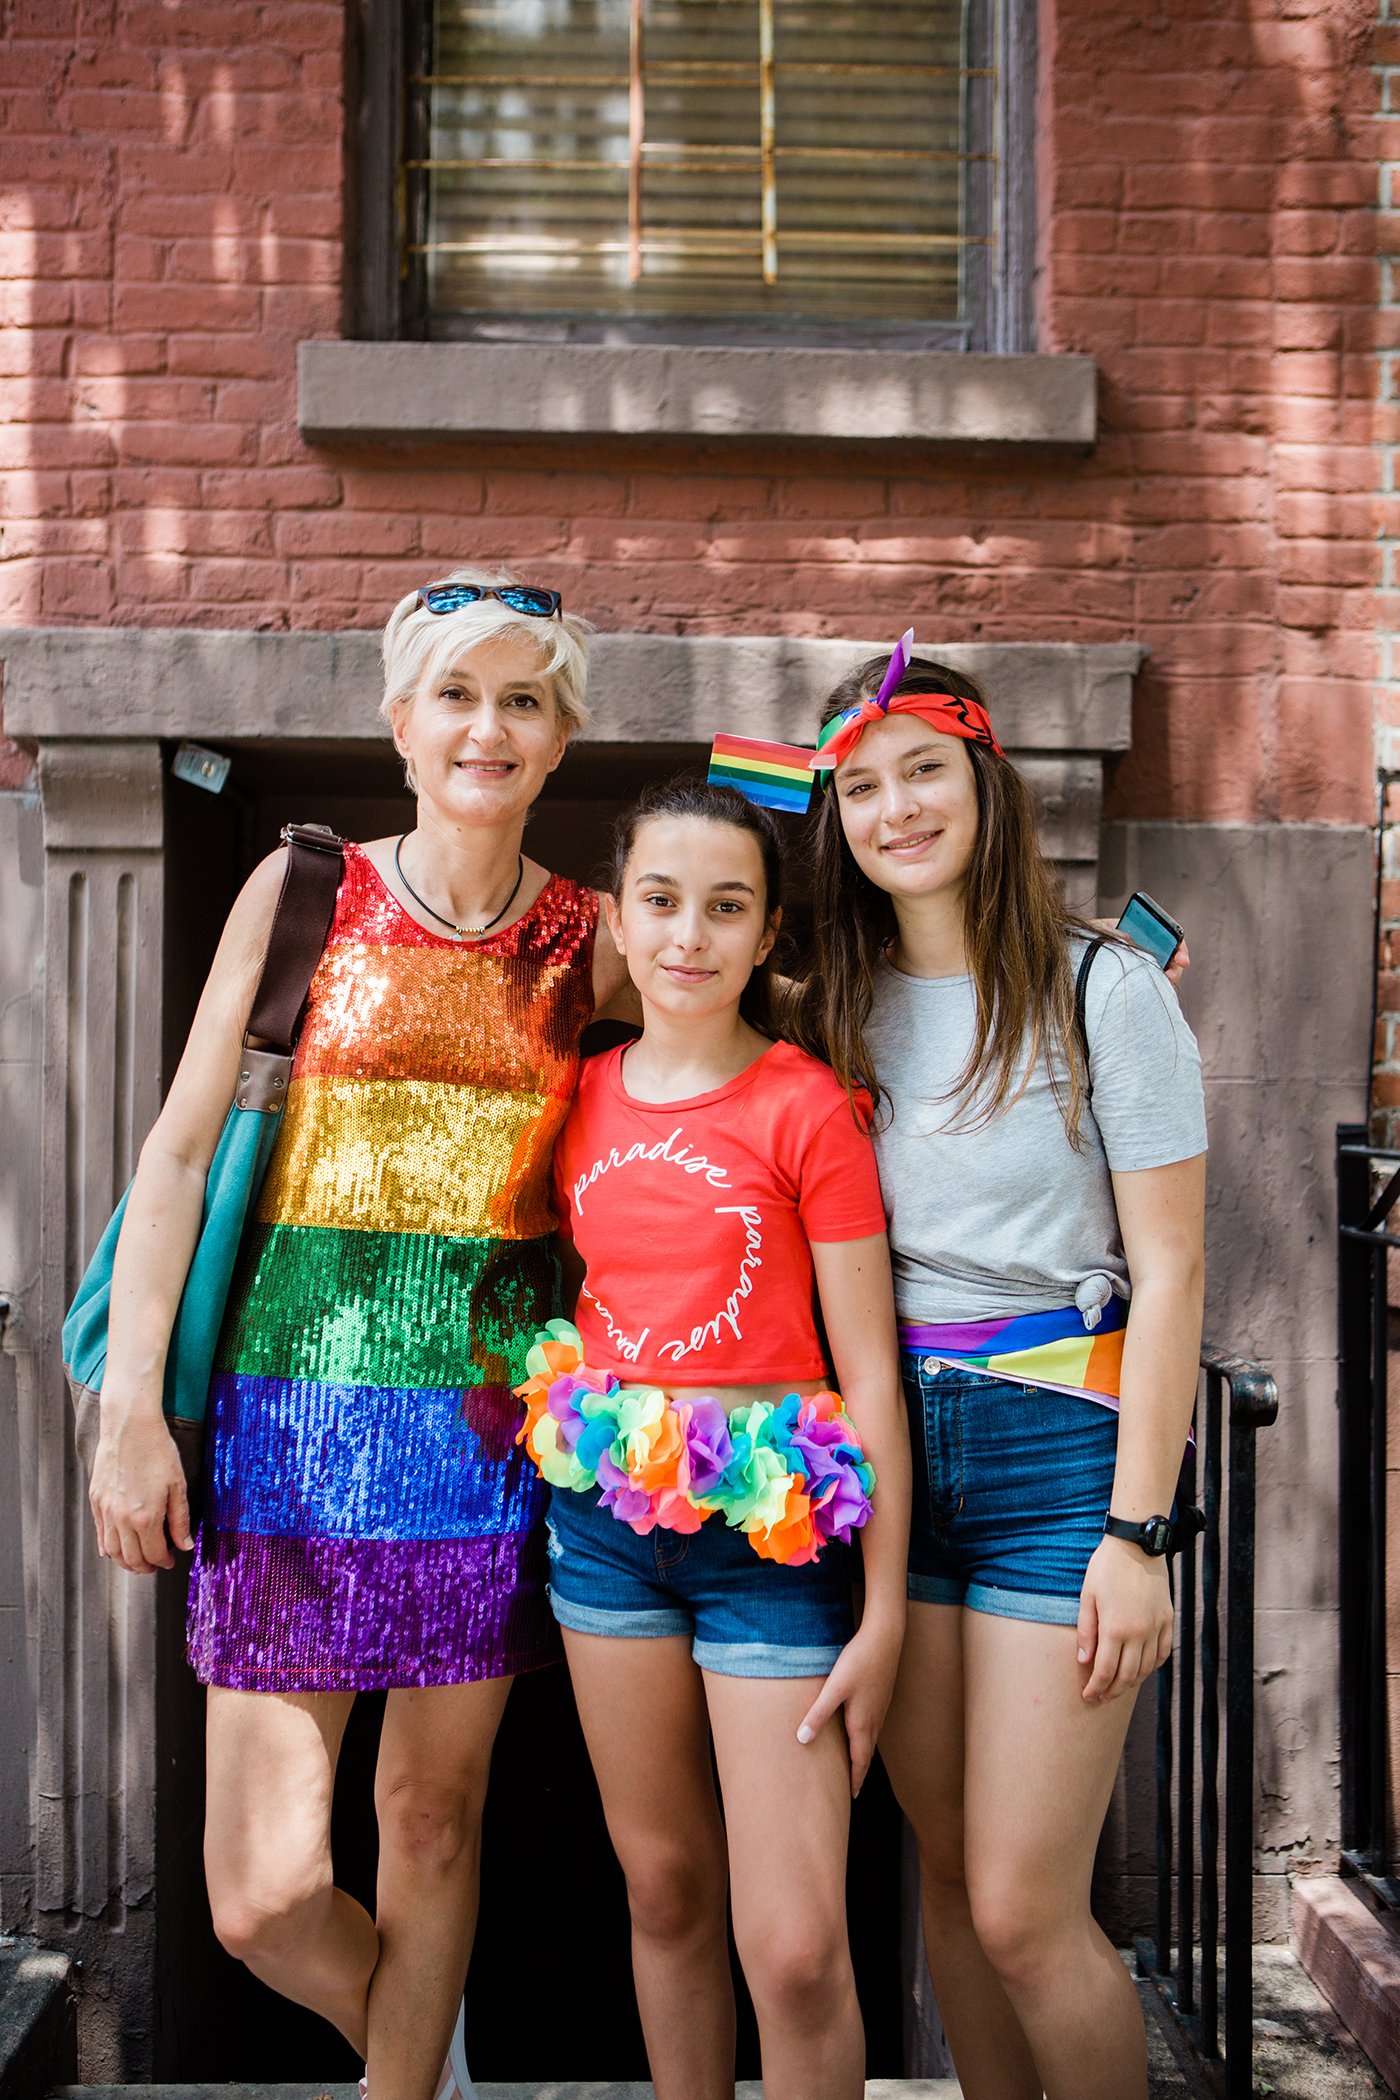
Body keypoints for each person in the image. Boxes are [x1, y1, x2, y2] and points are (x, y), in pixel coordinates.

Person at [85, 570, 634, 2100]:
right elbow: (179, 1158)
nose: (488, 726)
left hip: (479, 1443)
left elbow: (770, 1016)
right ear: (402, 724)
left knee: (433, 1822)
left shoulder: (594, 937)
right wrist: (132, 1405)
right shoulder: (311, 890)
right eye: (457, 694)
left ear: (558, 739)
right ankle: (431, 2061)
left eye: (523, 699)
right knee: (259, 1897)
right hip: (284, 1451)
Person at [795, 653, 1207, 2100]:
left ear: (985, 780)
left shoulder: (1106, 989)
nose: (894, 807)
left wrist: (1140, 1534)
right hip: (887, 1459)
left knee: (1031, 1907)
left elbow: (1169, 1279)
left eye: (923, 769)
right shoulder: (828, 999)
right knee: (954, 1885)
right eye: (859, 784)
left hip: (1056, 1455)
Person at [516, 778, 910, 2100]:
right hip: (605, 1535)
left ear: (767, 932)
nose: (690, 933)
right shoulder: (575, 1092)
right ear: (618, 922)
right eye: (663, 901)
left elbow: (870, 1372)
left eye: (725, 907)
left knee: (794, 1947)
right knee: (668, 1889)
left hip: (772, 1542)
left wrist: (887, 1611)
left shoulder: (811, 1106)